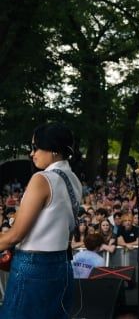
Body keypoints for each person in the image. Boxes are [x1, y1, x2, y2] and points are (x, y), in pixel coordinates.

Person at [0, 122, 82, 318]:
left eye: (35, 147)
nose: (31, 153)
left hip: (33, 268)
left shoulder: (42, 179)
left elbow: (15, 236)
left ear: (53, 149)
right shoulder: (74, 180)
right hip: (62, 266)